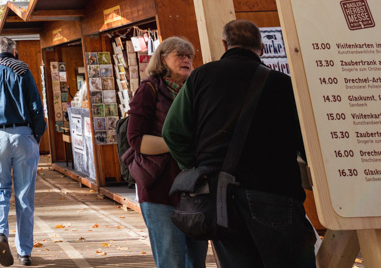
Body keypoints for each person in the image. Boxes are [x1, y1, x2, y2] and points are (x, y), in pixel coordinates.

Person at [162, 20, 313, 268]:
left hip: (222, 197)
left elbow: (172, 132)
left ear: (225, 44)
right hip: (275, 193)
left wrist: (198, 165)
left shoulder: (200, 77)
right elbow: (305, 141)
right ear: (261, 48)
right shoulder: (282, 83)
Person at [126, 36, 205, 268]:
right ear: (162, 59)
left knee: (197, 262)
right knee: (172, 261)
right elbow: (135, 139)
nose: (186, 60)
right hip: (160, 190)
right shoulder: (149, 89)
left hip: (195, 189)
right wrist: (177, 143)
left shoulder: (195, 91)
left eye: (189, 56)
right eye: (180, 55)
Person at [0, 37, 46, 267]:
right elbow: (36, 106)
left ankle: (1, 233)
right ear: (14, 51)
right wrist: (36, 135)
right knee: (24, 196)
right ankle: (24, 252)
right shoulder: (23, 70)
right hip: (24, 135)